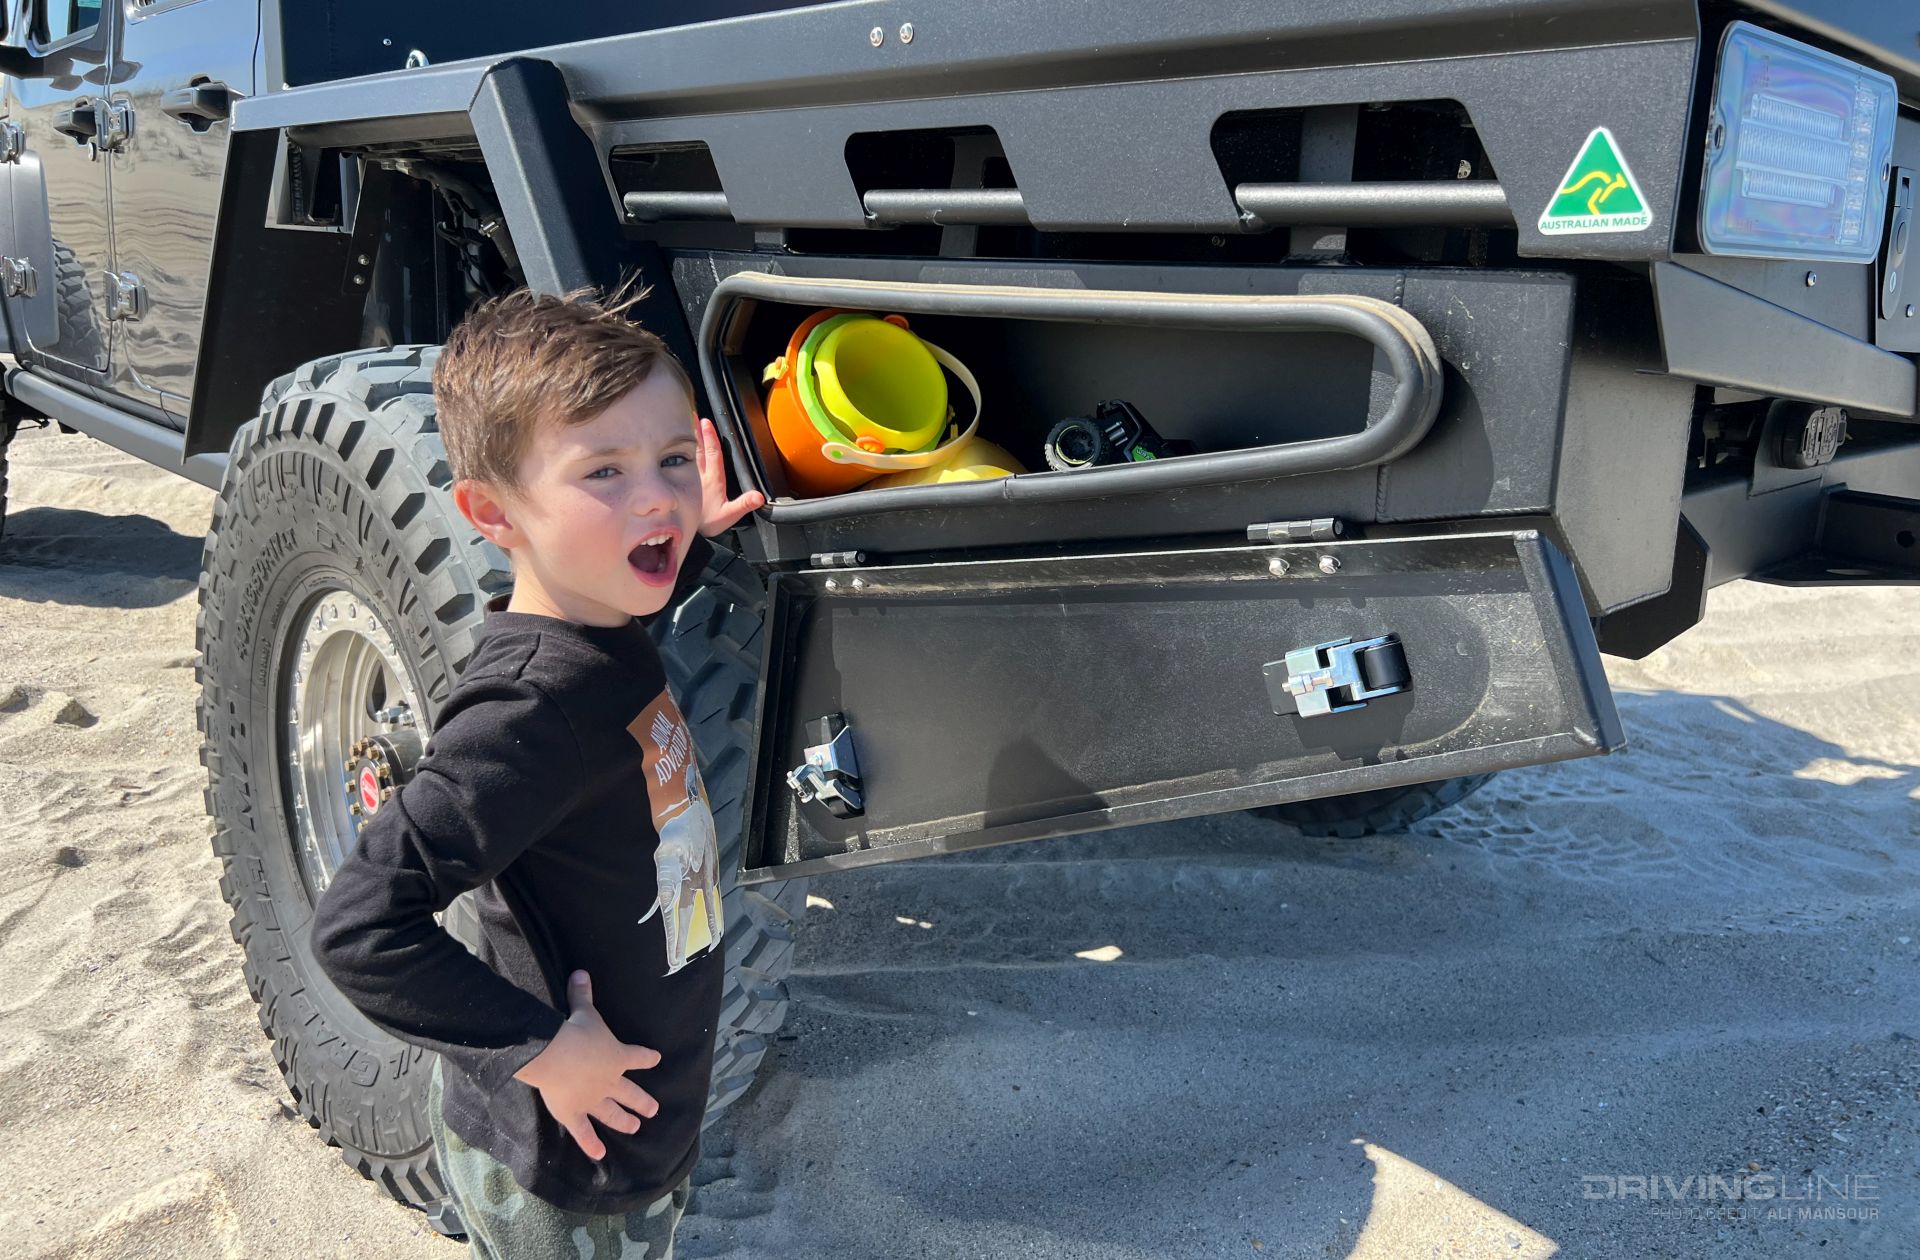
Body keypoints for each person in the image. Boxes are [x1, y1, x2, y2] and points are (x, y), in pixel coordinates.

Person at [311, 286, 766, 1259]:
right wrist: (543, 1051)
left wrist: (685, 539)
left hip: (637, 1123)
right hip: (567, 1164)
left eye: (673, 460)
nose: (656, 496)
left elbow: (627, 569)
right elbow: (359, 928)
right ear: (490, 512)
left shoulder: (601, 617)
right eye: (604, 471)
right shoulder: (528, 707)